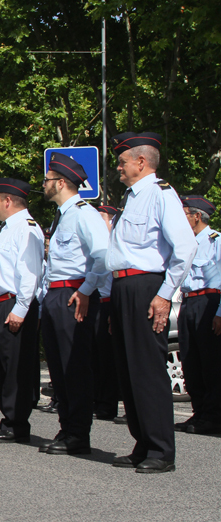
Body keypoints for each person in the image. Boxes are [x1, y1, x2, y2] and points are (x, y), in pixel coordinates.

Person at [106, 132, 197, 473]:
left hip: (146, 287)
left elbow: (185, 249)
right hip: (123, 287)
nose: (118, 167)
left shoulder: (161, 194)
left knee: (146, 369)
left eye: (122, 161)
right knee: (128, 370)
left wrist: (163, 295)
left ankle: (161, 449)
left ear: (140, 162)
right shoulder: (130, 198)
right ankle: (143, 441)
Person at [38, 153, 110, 455]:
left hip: (73, 295)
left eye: (47, 180)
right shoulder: (62, 216)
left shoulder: (83, 213)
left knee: (74, 366)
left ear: (62, 182)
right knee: (58, 366)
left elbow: (104, 256)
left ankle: (79, 433)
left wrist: (86, 290)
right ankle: (67, 427)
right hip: (56, 295)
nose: (43, 185)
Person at [0, 178, 44, 443]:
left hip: (13, 303)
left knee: (16, 367)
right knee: (2, 366)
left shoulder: (26, 229)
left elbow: (30, 272)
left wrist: (22, 308)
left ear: (7, 201)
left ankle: (17, 423)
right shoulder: (5, 229)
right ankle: (8, 419)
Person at [175, 195, 221, 435]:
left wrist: (220, 313)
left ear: (197, 216)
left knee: (210, 362)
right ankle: (199, 412)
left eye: (184, 214)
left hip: (209, 302)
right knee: (191, 361)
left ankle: (213, 416)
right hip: (188, 303)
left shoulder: (216, 241)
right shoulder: (186, 243)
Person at [92, 205, 122, 422]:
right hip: (95, 303)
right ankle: (97, 399)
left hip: (109, 303)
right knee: (94, 357)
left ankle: (108, 403)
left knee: (107, 358)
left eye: (101, 218)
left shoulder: (114, 245)